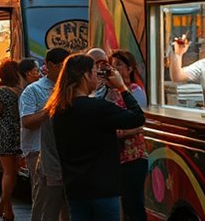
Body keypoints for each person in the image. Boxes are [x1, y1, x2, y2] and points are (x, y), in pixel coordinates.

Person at [50, 54, 145, 221]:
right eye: (95, 73)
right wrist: (122, 87)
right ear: (86, 76)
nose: (97, 77)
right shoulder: (98, 108)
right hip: (103, 189)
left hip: (75, 188)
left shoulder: (59, 109)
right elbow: (137, 117)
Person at [21, 47, 71, 221]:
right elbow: (27, 122)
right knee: (44, 200)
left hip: (64, 154)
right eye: (61, 66)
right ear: (50, 65)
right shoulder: (33, 90)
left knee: (66, 204)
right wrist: (50, 109)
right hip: (38, 151)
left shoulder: (71, 88)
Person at [109, 50, 148, 221]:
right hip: (115, 157)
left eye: (119, 65)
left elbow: (139, 122)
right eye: (112, 65)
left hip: (133, 155)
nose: (114, 69)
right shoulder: (108, 92)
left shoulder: (135, 91)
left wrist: (122, 133)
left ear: (130, 69)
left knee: (134, 202)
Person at [0, 59, 23, 221]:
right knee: (14, 172)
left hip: (5, 132)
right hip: (19, 133)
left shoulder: (2, 92)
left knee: (7, 172)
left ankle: (8, 209)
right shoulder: (22, 90)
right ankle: (1, 206)